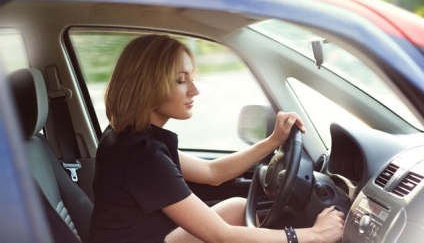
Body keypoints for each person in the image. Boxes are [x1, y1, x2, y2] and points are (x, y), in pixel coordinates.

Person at [89, 34, 344, 243]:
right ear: (148, 85)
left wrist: (273, 141)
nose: (194, 89)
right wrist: (315, 235)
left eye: (191, 77)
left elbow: (212, 172)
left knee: (235, 208)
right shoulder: (142, 155)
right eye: (180, 80)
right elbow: (222, 235)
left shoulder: (126, 136)